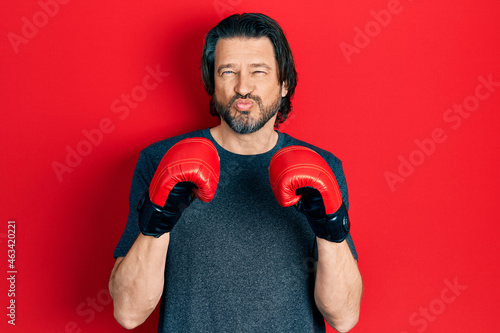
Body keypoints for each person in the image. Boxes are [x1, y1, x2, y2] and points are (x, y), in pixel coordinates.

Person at [109, 13, 363, 333]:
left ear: (284, 83)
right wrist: (157, 221)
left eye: (258, 71)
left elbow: (344, 318)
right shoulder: (159, 160)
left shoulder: (323, 167)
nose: (243, 87)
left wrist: (330, 230)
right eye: (228, 71)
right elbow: (128, 313)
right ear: (212, 84)